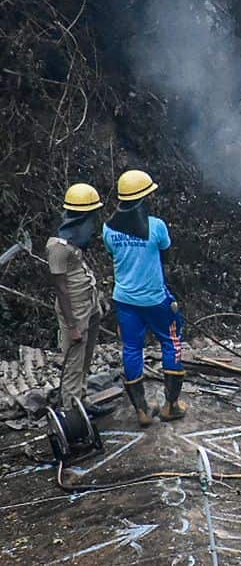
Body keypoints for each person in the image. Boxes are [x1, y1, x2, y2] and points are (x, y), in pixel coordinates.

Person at [103, 169, 186, 427]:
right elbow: (166, 255)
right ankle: (170, 406)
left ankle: (141, 410)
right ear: (142, 198)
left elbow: (113, 254)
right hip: (155, 300)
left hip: (125, 301)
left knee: (131, 349)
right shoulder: (156, 226)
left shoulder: (107, 229)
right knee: (171, 342)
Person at [46, 184, 113, 418]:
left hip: (88, 303)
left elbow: (81, 271)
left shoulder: (74, 240)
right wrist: (72, 326)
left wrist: (98, 299)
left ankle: (82, 399)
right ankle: (71, 411)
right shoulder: (57, 247)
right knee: (74, 361)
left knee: (85, 357)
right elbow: (62, 288)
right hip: (73, 309)